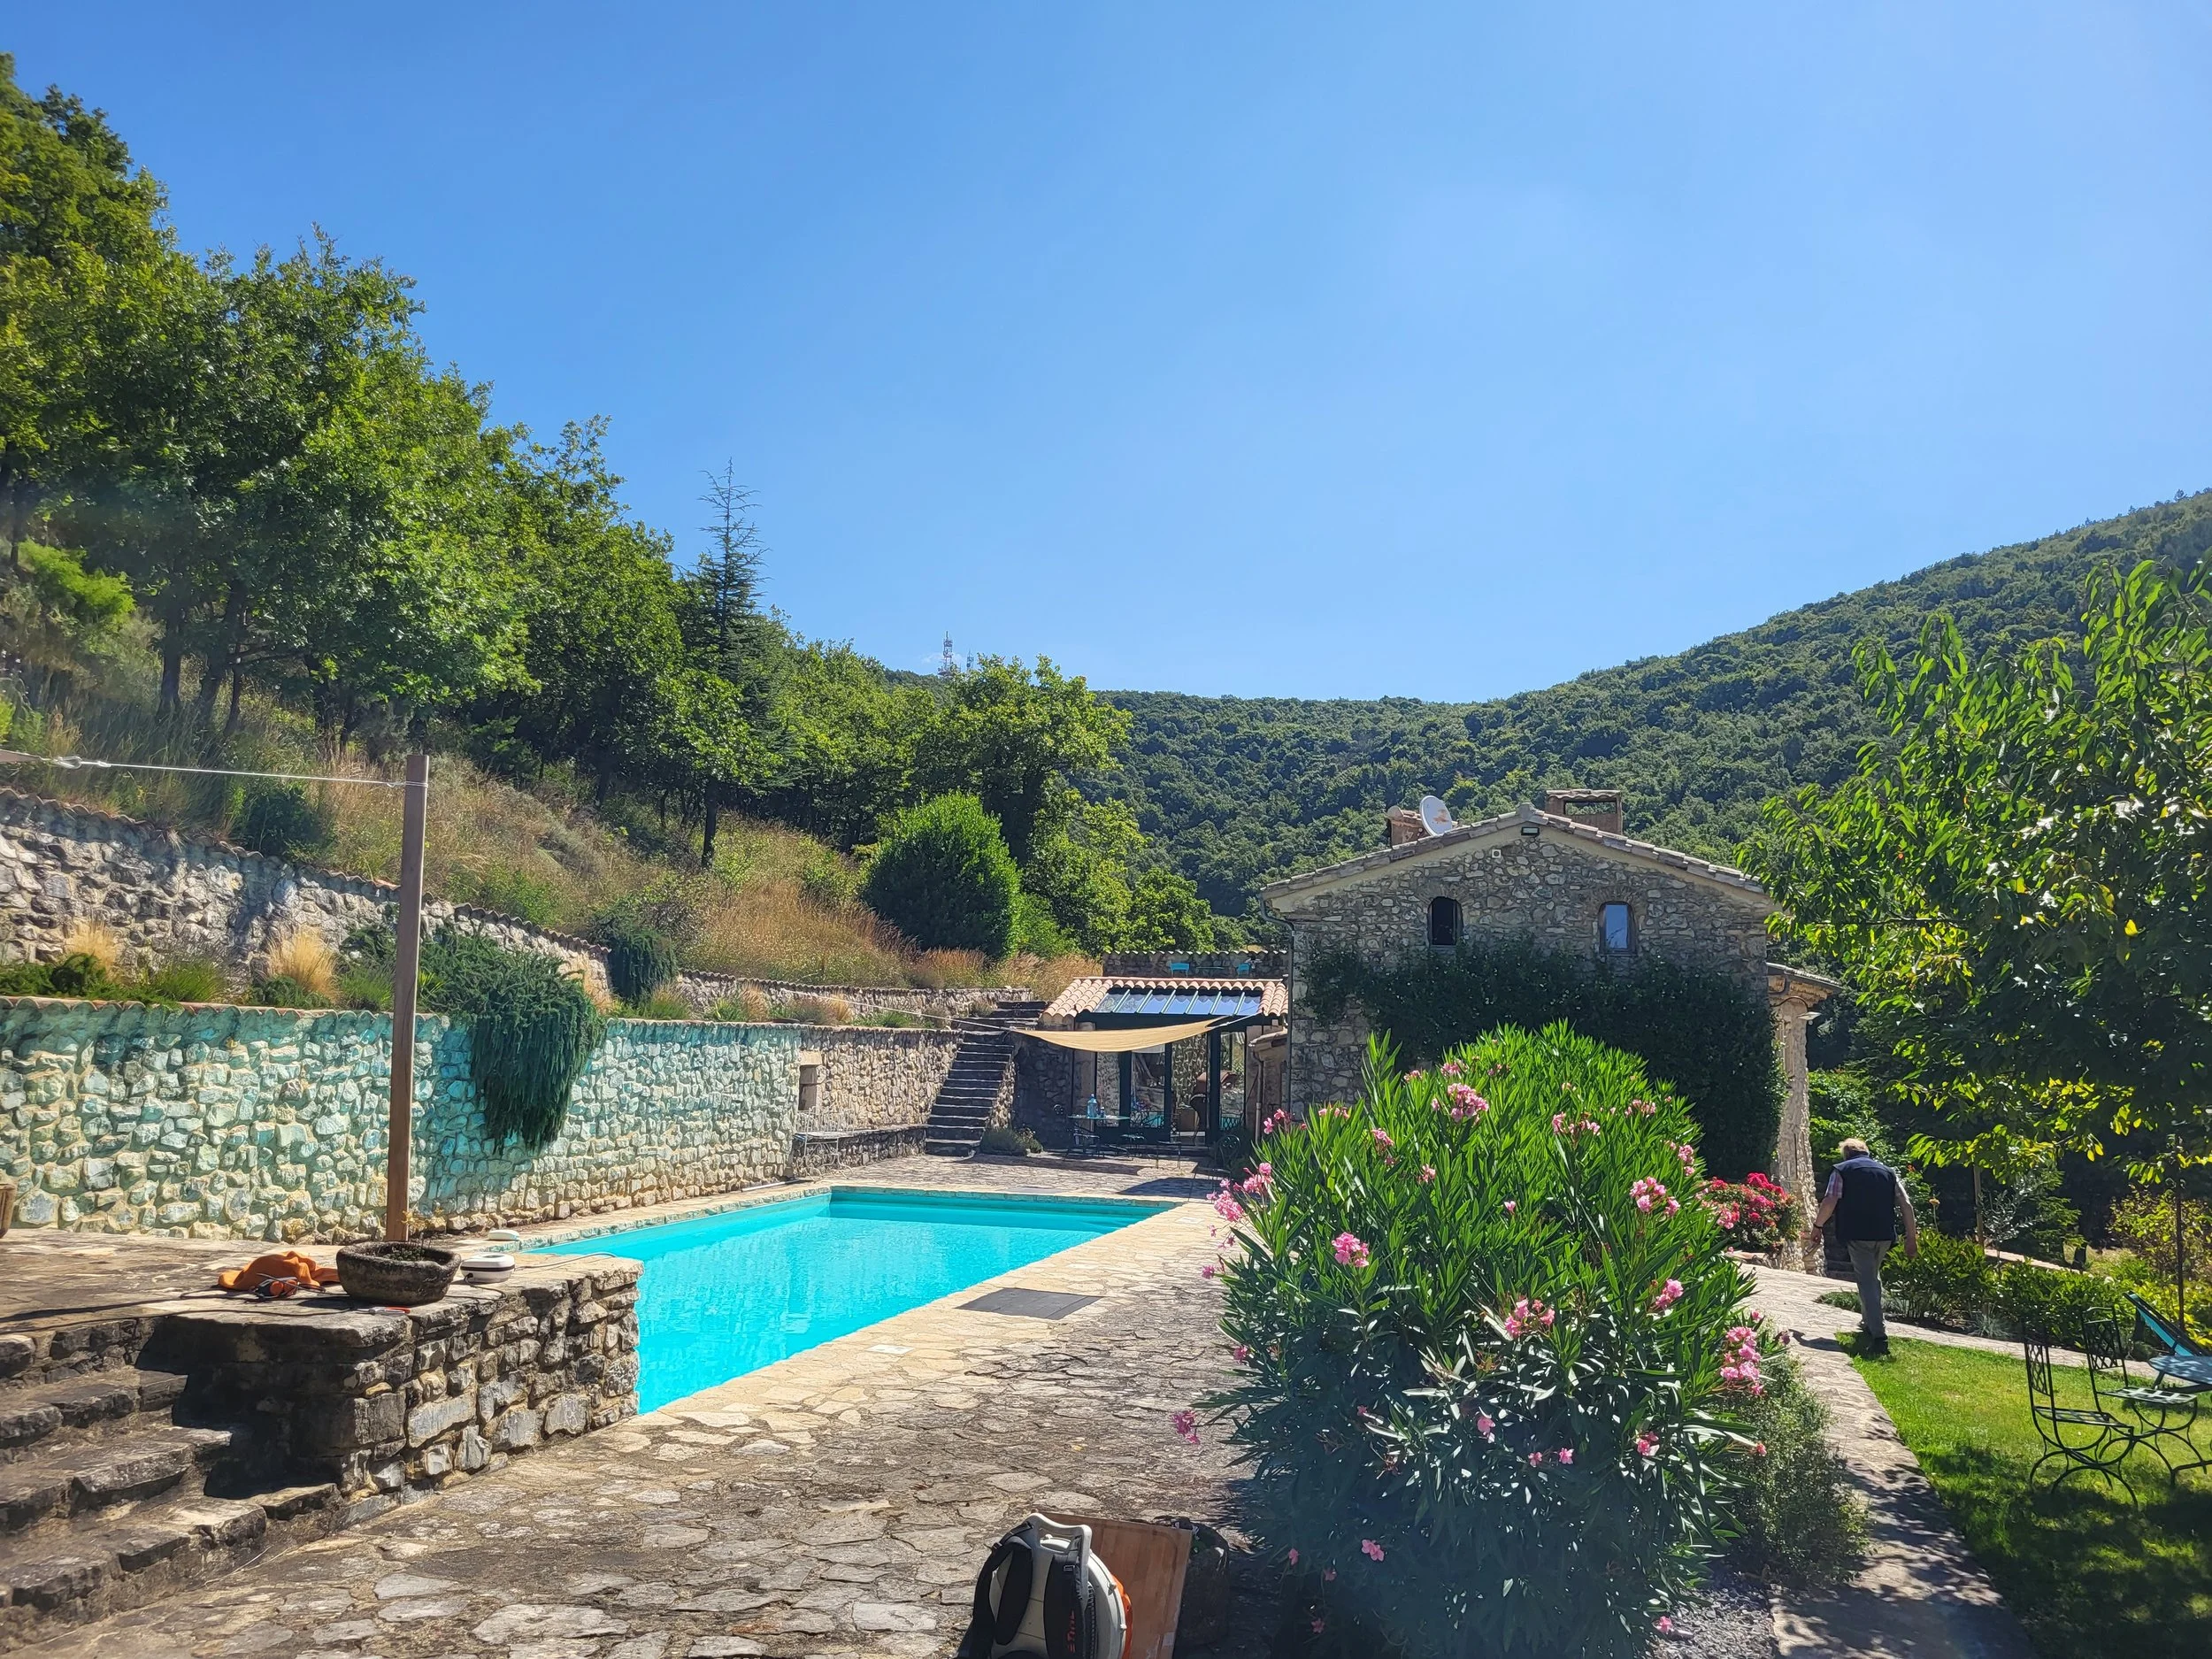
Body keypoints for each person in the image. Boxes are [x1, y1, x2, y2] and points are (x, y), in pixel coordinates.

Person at [1814, 1138, 1918, 1353]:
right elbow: (1905, 1204)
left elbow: (1830, 1200)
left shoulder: (1842, 1170)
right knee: (1873, 1277)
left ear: (1846, 1154)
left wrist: (1818, 1226)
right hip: (1884, 1234)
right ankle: (1867, 1322)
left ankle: (1879, 1335)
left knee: (1867, 1280)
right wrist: (1911, 1237)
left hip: (1858, 1233)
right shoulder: (1888, 1172)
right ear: (1867, 1153)